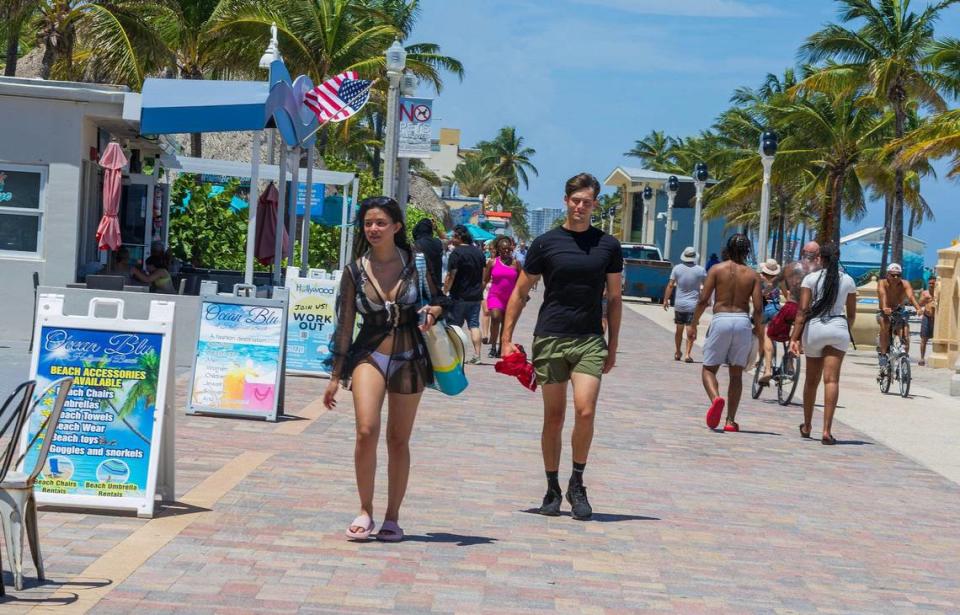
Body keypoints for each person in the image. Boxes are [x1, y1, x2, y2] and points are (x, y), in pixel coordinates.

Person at [323, 196, 447, 542]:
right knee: (366, 430)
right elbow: (344, 324)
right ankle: (365, 510)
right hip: (369, 355)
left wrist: (433, 312)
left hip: (410, 355)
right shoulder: (354, 270)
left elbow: (439, 300)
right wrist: (335, 376)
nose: (373, 229)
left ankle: (393, 517)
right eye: (368, 223)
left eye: (380, 223)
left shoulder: (416, 263)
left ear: (396, 226)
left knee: (398, 439)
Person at [501, 173, 623, 521]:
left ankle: (578, 483)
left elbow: (614, 299)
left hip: (589, 340)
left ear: (595, 204)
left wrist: (613, 346)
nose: (581, 207)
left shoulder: (608, 246)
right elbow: (521, 292)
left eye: (587, 201)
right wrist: (507, 339)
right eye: (575, 200)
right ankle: (552, 487)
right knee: (553, 417)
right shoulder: (545, 243)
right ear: (566, 201)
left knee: (585, 411)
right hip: (551, 337)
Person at [693, 234, 762, 433]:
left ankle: (716, 399)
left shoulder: (716, 269)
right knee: (736, 374)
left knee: (708, 369)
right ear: (747, 251)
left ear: (728, 249)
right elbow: (757, 308)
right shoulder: (752, 275)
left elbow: (703, 300)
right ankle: (730, 421)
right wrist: (758, 330)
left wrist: (693, 323)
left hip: (721, 319)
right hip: (742, 321)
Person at [789, 243, 857, 444]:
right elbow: (852, 314)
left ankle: (808, 425)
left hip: (815, 328)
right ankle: (827, 430)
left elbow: (802, 312)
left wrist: (794, 338)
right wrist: (844, 329)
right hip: (838, 326)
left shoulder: (810, 279)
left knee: (811, 381)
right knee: (832, 380)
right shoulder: (848, 280)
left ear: (819, 259)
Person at [444, 225, 486, 363]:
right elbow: (484, 275)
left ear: (459, 237)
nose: (451, 239)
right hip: (475, 296)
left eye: (453, 236)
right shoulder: (479, 252)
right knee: (474, 325)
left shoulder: (456, 253)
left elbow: (451, 275)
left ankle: (455, 355)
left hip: (459, 296)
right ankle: (477, 355)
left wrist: (444, 291)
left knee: (454, 326)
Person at [662, 246, 706, 363]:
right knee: (691, 329)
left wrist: (665, 300)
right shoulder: (700, 270)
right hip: (693, 305)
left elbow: (671, 285)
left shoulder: (677, 268)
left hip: (679, 304)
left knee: (679, 329)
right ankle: (687, 354)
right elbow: (706, 287)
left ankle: (677, 351)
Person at [482, 236, 521, 358]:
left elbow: (521, 281)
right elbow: (485, 280)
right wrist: (478, 292)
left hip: (511, 298)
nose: (506, 251)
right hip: (495, 296)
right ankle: (493, 347)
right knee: (495, 317)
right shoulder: (492, 262)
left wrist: (523, 296)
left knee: (505, 324)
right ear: (499, 249)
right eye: (503, 249)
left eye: (508, 249)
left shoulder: (516, 263)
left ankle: (501, 348)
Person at [877, 263, 922, 364]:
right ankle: (883, 355)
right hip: (884, 311)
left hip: (898, 311)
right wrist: (884, 307)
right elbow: (882, 294)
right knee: (885, 327)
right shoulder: (882, 283)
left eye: (898, 275)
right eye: (893, 275)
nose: (896, 277)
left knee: (905, 332)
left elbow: (911, 297)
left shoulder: (905, 283)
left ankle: (904, 358)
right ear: (887, 275)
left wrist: (918, 308)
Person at [757, 258, 783, 384]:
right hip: (778, 310)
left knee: (765, 337)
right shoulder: (779, 281)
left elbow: (756, 296)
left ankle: (767, 369)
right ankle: (789, 367)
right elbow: (788, 297)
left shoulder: (760, 279)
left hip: (765, 310)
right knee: (779, 337)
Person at [412, 218, 443, 291]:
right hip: (437, 284)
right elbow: (446, 239)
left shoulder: (415, 245)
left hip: (422, 286)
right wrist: (436, 229)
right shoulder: (438, 242)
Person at [919, 276, 937, 366]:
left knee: (936, 339)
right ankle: (922, 358)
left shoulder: (939, 293)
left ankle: (936, 357)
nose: (931, 285)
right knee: (923, 339)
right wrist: (924, 300)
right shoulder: (925, 293)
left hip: (936, 318)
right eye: (929, 283)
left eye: (933, 283)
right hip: (926, 317)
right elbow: (919, 304)